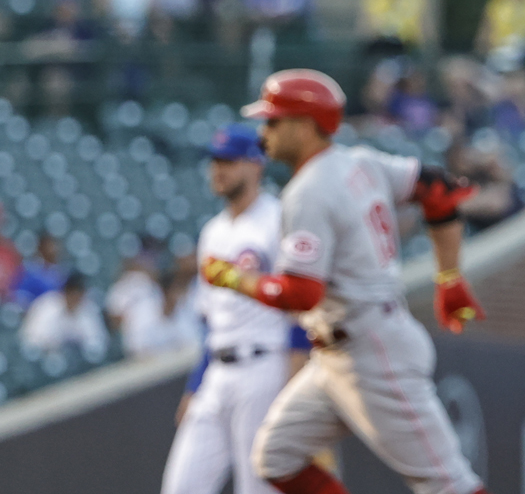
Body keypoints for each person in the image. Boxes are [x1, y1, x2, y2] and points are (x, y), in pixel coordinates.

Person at [203, 69, 491, 494]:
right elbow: (438, 188)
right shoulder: (361, 161)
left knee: (449, 484)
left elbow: (301, 293)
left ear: (303, 125)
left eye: (273, 121)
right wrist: (448, 277)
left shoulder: (308, 191)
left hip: (371, 349)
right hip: (338, 353)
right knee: (277, 457)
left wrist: (234, 278)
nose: (264, 131)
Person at [162, 123, 312, 494]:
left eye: (228, 160)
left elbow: (299, 305)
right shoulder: (212, 232)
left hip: (265, 365)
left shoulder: (278, 218)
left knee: (259, 487)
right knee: (182, 486)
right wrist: (195, 386)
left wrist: (296, 383)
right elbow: (210, 321)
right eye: (215, 160)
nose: (218, 169)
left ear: (255, 164)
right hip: (217, 371)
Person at [19, 272, 108, 356]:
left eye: (78, 294)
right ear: (65, 292)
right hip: (48, 357)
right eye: (72, 293)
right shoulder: (47, 306)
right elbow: (33, 341)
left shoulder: (87, 309)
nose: (75, 298)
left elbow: (97, 340)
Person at [123, 272, 200, 357]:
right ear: (165, 292)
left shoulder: (183, 311)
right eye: (176, 290)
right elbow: (134, 348)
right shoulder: (145, 311)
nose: (180, 294)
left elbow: (192, 343)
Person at [14, 232, 68, 308]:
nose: (53, 250)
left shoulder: (59, 273)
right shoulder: (29, 269)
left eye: (54, 246)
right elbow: (20, 295)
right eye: (49, 246)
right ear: (40, 247)